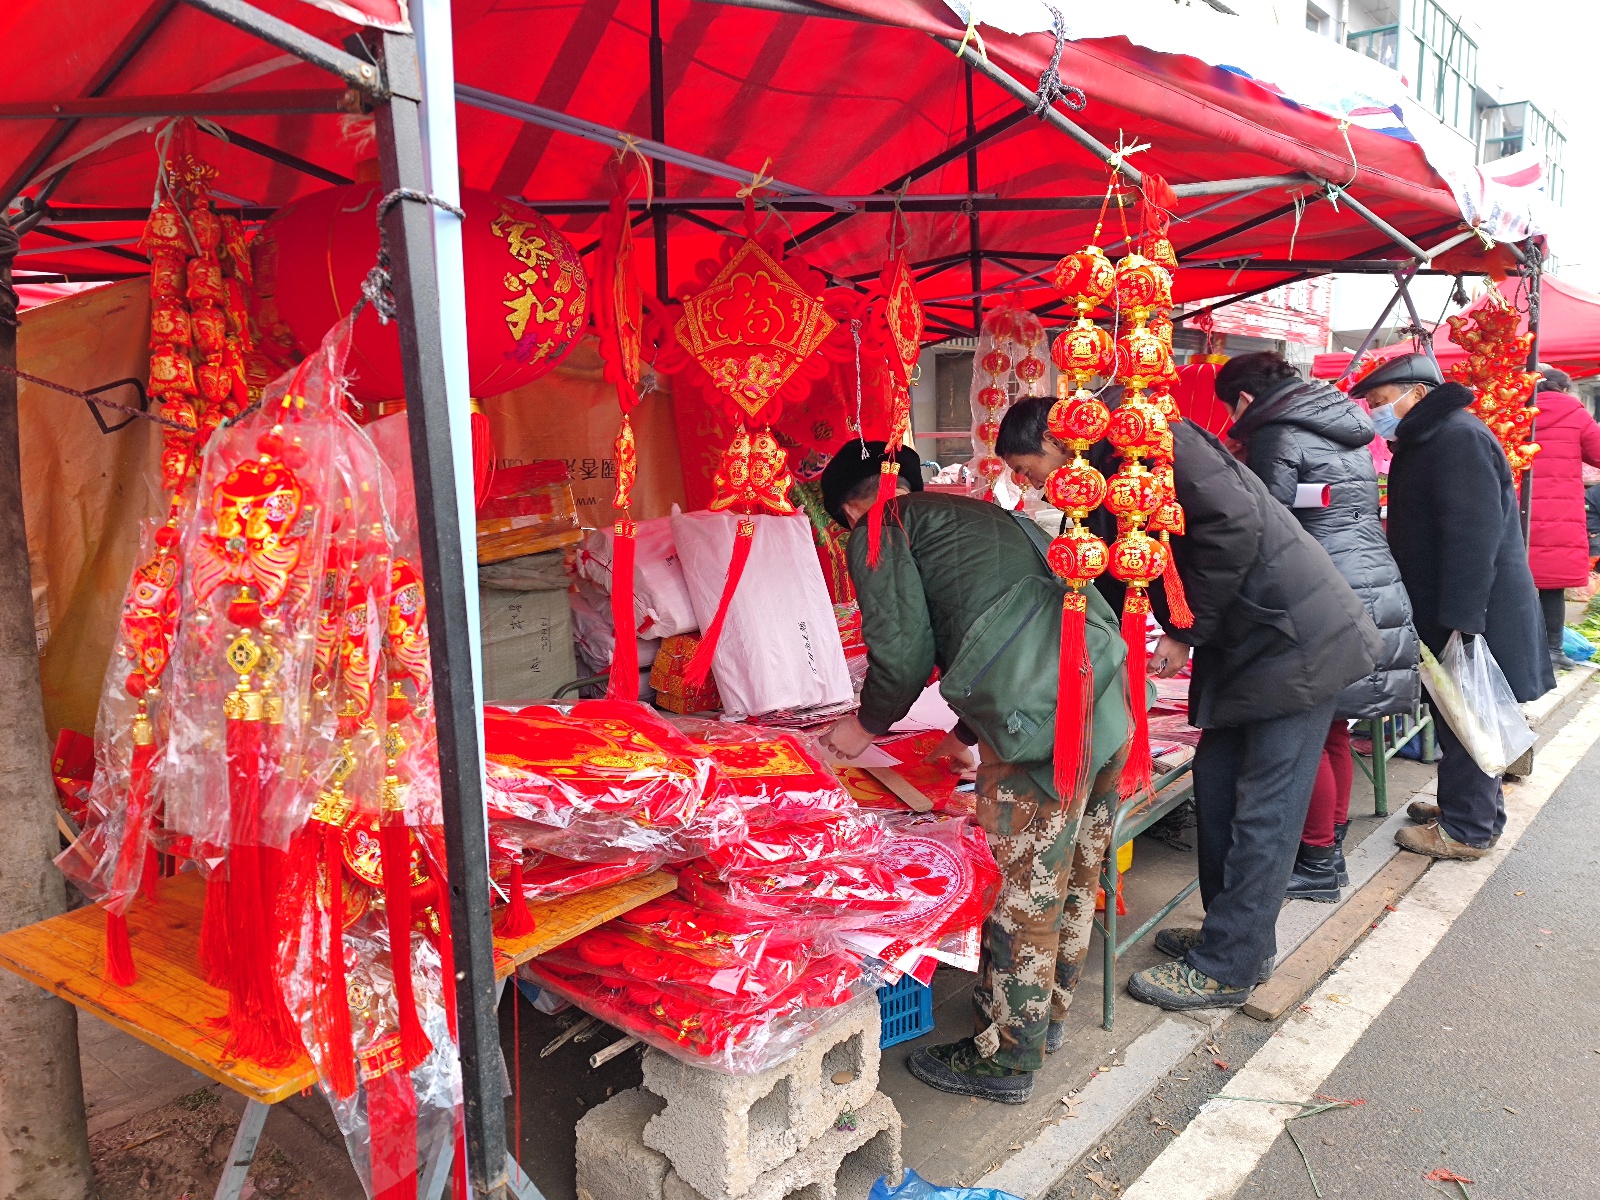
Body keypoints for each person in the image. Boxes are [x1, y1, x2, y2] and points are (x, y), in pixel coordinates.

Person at [998, 397, 1382, 1011]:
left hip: (1295, 639)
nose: (1032, 484)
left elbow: (1233, 527)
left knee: (1264, 808)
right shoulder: (1099, 474)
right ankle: (1231, 937)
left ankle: (1229, 964)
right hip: (1246, 645)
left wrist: (1183, 631)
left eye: (1031, 466)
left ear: (1061, 438)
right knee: (1220, 788)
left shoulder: (1152, 439)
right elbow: (1108, 569)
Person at [817, 441, 1131, 1105]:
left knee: (1026, 893)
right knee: (1074, 873)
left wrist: (862, 726)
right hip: (1102, 696)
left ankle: (1004, 1059)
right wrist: (964, 733)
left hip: (1040, 722)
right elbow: (1003, 618)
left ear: (851, 505)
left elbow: (902, 657)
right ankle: (1041, 1023)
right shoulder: (975, 514)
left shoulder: (881, 526)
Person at [1214, 352, 1420, 901]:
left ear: (1244, 399)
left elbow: (1262, 524)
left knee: (1313, 732)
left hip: (1321, 592)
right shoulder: (1339, 425)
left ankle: (1318, 859)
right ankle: (1329, 844)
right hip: (1364, 581)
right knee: (1335, 730)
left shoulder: (1279, 432)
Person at [1356, 354, 1554, 860]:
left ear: (1416, 395)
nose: (1379, 413)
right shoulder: (1434, 435)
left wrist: (1462, 622)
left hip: (1469, 608)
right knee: (1461, 714)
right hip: (1452, 604)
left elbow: (1473, 535)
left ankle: (1467, 829)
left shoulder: (1455, 437)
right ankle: (1471, 811)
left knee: (1467, 714)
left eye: (1382, 403)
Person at [1524, 367, 1600, 669]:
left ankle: (1521, 650)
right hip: (1559, 513)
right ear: (1565, 390)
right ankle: (1553, 649)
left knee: (1515, 580)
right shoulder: (1575, 413)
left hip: (1519, 507)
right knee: (1552, 585)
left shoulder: (1517, 411)